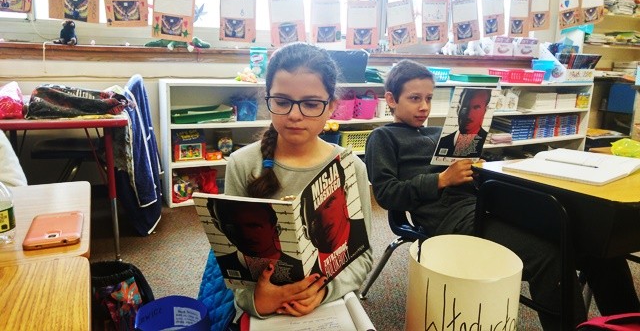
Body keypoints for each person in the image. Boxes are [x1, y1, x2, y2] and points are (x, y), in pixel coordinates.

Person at [364, 59, 639, 330]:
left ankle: (629, 322)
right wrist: (441, 180)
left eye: (429, 98)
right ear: (391, 99)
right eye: (414, 98)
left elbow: (470, 176)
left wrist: (479, 166)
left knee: (597, 243)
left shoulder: (442, 133)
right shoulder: (383, 138)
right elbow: (387, 194)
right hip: (450, 218)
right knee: (549, 257)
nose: (424, 107)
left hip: (486, 202)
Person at [207, 42, 373, 319]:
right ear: (268, 99)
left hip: (326, 304)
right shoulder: (243, 164)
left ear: (331, 106)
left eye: (310, 104)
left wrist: (323, 291)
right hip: (264, 306)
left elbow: (362, 256)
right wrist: (257, 301)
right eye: (282, 102)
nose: (295, 115)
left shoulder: (351, 166)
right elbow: (233, 263)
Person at [207, 199, 303, 285]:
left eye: (254, 226)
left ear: (275, 227)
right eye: (233, 227)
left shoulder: (299, 267)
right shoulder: (225, 264)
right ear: (218, 226)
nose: (245, 235)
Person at [435, 87, 491, 158]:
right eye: (465, 107)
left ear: (485, 110)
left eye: (476, 107)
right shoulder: (443, 141)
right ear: (458, 109)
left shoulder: (486, 141)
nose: (469, 114)